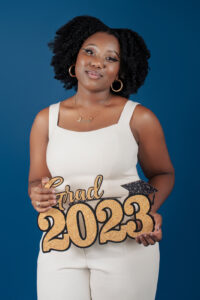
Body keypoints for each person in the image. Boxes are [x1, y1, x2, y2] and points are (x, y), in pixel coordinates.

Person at [28, 15, 175, 300]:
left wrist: (143, 210)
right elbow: (37, 179)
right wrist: (37, 193)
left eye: (111, 58)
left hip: (124, 242)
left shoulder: (139, 118)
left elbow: (161, 174)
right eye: (90, 51)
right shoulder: (45, 120)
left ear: (121, 71)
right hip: (61, 243)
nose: (98, 62)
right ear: (74, 57)